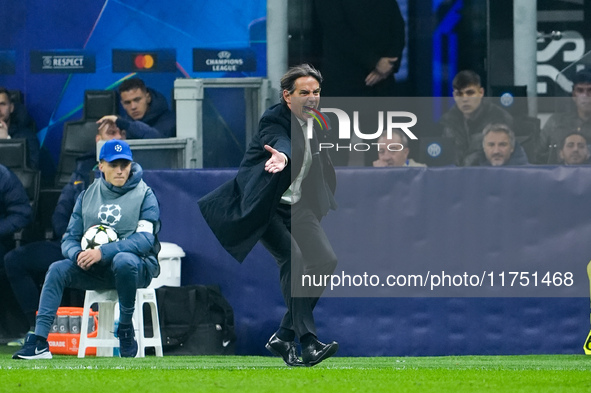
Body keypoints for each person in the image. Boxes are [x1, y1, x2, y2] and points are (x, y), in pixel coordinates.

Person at [198, 64, 339, 367]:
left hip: (298, 207)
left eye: (316, 92)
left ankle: (284, 334)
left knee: (326, 260)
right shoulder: (274, 118)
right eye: (304, 93)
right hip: (266, 206)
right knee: (294, 258)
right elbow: (281, 141)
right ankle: (308, 342)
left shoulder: (320, 122)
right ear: (288, 97)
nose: (312, 98)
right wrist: (284, 156)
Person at [13, 139, 161, 359]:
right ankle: (40, 341)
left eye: (125, 164)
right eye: (114, 165)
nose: (120, 170)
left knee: (124, 260)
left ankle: (126, 327)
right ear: (100, 166)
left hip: (137, 269)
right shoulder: (86, 196)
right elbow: (69, 239)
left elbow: (144, 240)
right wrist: (77, 254)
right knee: (57, 269)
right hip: (97, 270)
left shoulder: (145, 194)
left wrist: (103, 252)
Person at [4, 122, 125, 346]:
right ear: (97, 141)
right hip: (72, 246)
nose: (113, 138)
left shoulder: (129, 175)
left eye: (117, 133)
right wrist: (74, 244)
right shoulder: (81, 170)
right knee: (14, 260)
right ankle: (37, 326)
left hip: (109, 251)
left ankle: (106, 329)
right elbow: (60, 213)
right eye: (107, 134)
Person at [313, 0, 405, 98]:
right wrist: (375, 62)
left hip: (383, 84)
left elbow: (398, 25)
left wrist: (390, 64)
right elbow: (337, 32)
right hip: (345, 81)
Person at [439, 70, 513, 166]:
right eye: (459, 94)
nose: (464, 99)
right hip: (455, 177)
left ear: (481, 92)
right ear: (454, 96)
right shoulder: (448, 122)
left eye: (470, 93)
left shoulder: (499, 118)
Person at [537, 69, 591, 164]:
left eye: (590, 90)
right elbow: (537, 156)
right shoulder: (555, 122)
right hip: (558, 177)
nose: (585, 95)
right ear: (574, 95)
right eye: (580, 90)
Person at [97, 77, 175, 139]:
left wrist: (127, 125)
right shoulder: (121, 127)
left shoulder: (170, 121)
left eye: (137, 100)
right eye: (127, 103)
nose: (133, 107)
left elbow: (158, 142)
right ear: (122, 104)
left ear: (148, 98)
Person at [0, 88, 40, 169]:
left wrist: (7, 142)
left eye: (2, 104)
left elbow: (31, 171)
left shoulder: (27, 136)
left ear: (11, 108)